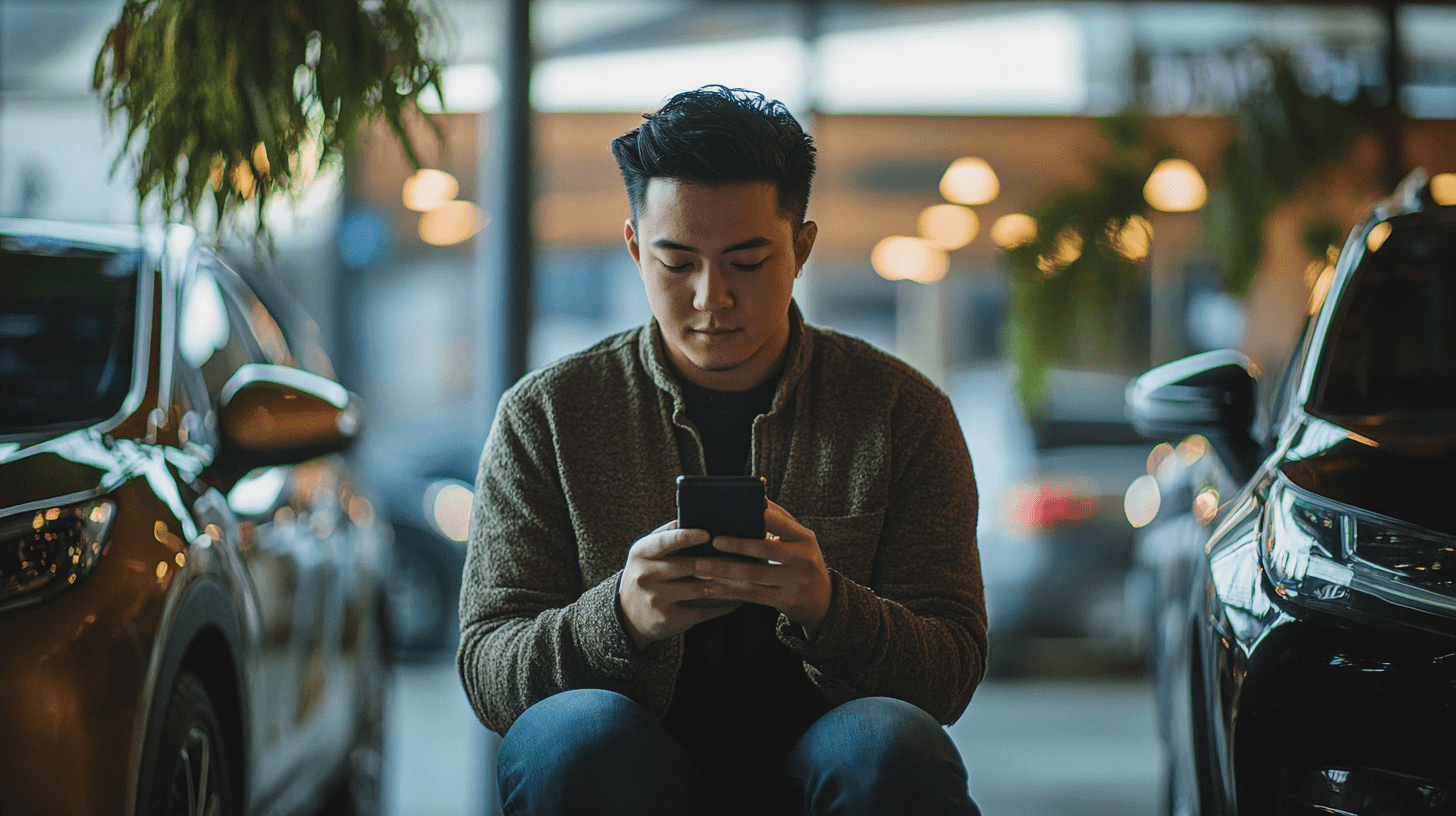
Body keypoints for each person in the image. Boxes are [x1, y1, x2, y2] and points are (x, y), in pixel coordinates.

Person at [458, 85, 986, 816]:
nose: (712, 298)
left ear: (801, 248)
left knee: (889, 743)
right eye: (677, 264)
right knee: (575, 736)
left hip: (828, 759)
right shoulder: (547, 415)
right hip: (625, 760)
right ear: (636, 248)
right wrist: (618, 618)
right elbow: (488, 663)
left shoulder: (900, 412)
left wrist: (830, 607)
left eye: (746, 261)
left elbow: (950, 667)